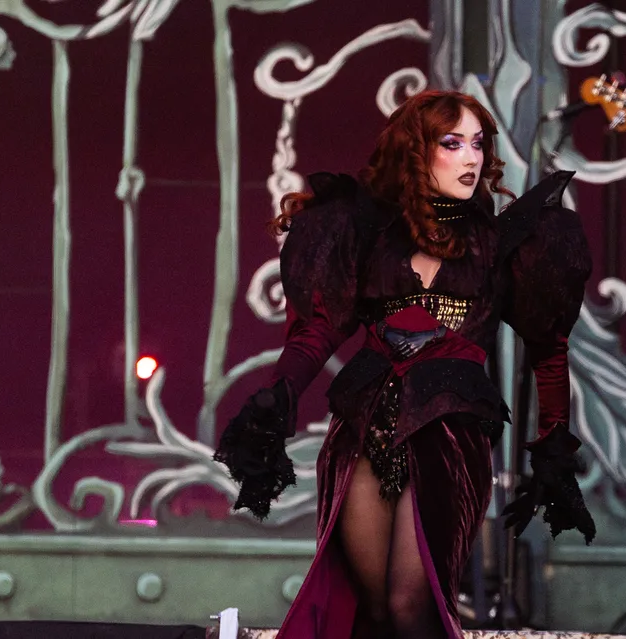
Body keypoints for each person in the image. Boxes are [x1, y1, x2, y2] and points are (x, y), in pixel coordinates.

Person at [213, 90, 596, 639]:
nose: (471, 158)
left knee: (409, 606)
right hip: (363, 430)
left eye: (478, 144)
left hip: (450, 435)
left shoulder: (504, 245)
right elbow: (318, 331)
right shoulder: (367, 236)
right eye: (452, 143)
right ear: (417, 152)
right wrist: (277, 395)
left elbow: (549, 350)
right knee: (368, 610)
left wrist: (554, 443)